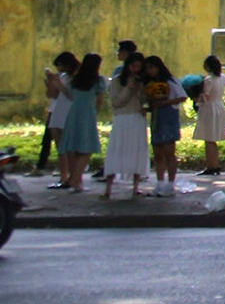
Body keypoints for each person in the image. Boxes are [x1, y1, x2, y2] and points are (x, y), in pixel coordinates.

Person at [103, 53, 151, 200]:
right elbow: (117, 102)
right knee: (116, 151)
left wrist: (144, 92)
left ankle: (136, 187)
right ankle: (108, 189)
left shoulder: (142, 82)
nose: (135, 70)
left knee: (137, 151)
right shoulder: (117, 81)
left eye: (138, 67)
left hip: (137, 118)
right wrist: (129, 88)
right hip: (122, 119)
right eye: (133, 66)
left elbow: (144, 100)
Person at [56, 53, 104, 192]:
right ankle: (77, 178)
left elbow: (70, 94)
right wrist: (96, 113)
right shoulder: (97, 80)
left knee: (73, 146)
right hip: (88, 113)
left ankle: (75, 179)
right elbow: (99, 100)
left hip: (74, 113)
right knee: (87, 147)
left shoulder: (75, 79)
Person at [144, 55, 187, 196]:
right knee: (157, 152)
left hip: (169, 116)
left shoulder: (170, 81)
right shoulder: (149, 84)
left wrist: (165, 102)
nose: (150, 71)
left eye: (152, 67)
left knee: (169, 151)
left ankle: (170, 184)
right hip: (157, 117)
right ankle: (160, 182)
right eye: (148, 68)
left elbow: (182, 96)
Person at [39, 51, 79, 177]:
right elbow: (53, 95)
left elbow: (70, 95)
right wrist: (51, 83)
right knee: (59, 145)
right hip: (58, 110)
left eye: (61, 66)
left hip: (69, 111)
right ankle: (64, 176)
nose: (59, 69)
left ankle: (72, 175)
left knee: (69, 146)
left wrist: (59, 84)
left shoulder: (75, 77)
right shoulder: (62, 77)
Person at [193, 54, 225, 176]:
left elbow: (206, 97)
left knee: (209, 139)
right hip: (219, 106)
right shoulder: (223, 77)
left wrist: (196, 97)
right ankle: (215, 164)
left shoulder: (209, 80)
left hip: (209, 109)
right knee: (213, 138)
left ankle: (211, 166)